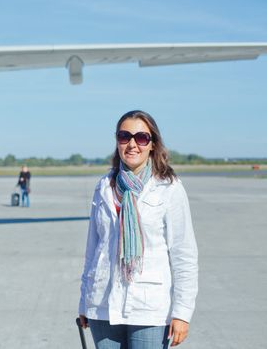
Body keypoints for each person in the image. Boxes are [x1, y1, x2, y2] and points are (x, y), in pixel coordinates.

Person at [78, 110, 198, 349]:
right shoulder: (104, 186)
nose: (132, 144)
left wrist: (182, 312)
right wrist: (84, 302)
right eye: (125, 136)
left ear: (152, 144)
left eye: (141, 137)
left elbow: (184, 254)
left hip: (149, 308)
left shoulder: (168, 188)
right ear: (117, 141)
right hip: (102, 305)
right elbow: (93, 249)